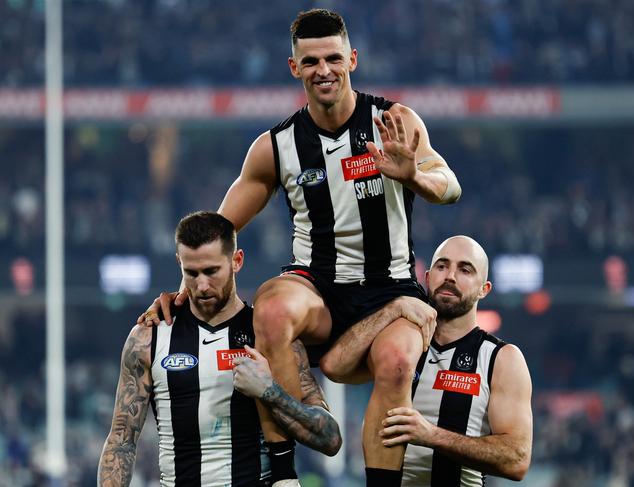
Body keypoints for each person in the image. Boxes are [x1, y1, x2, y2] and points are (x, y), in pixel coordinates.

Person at [139, 9, 461, 486]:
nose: (324, 70)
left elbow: (449, 185)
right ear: (295, 68)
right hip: (317, 285)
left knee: (396, 363)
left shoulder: (392, 121)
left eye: (333, 58)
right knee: (269, 310)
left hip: (391, 288)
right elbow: (220, 231)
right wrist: (185, 286)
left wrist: (412, 174)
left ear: (352, 59)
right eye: (310, 61)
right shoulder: (276, 146)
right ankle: (284, 473)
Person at [99, 211, 341, 487]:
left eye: (212, 271)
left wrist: (270, 393)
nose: (201, 285)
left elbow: (330, 439)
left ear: (236, 261)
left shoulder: (270, 335)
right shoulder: (149, 338)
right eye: (191, 273)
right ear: (179, 263)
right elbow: (121, 440)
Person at [320, 236, 533, 486]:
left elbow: (516, 460)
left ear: (483, 289)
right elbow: (334, 366)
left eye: (464, 269)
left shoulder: (501, 359)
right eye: (442, 266)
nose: (450, 276)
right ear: (429, 277)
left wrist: (431, 435)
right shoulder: (398, 344)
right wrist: (392, 309)